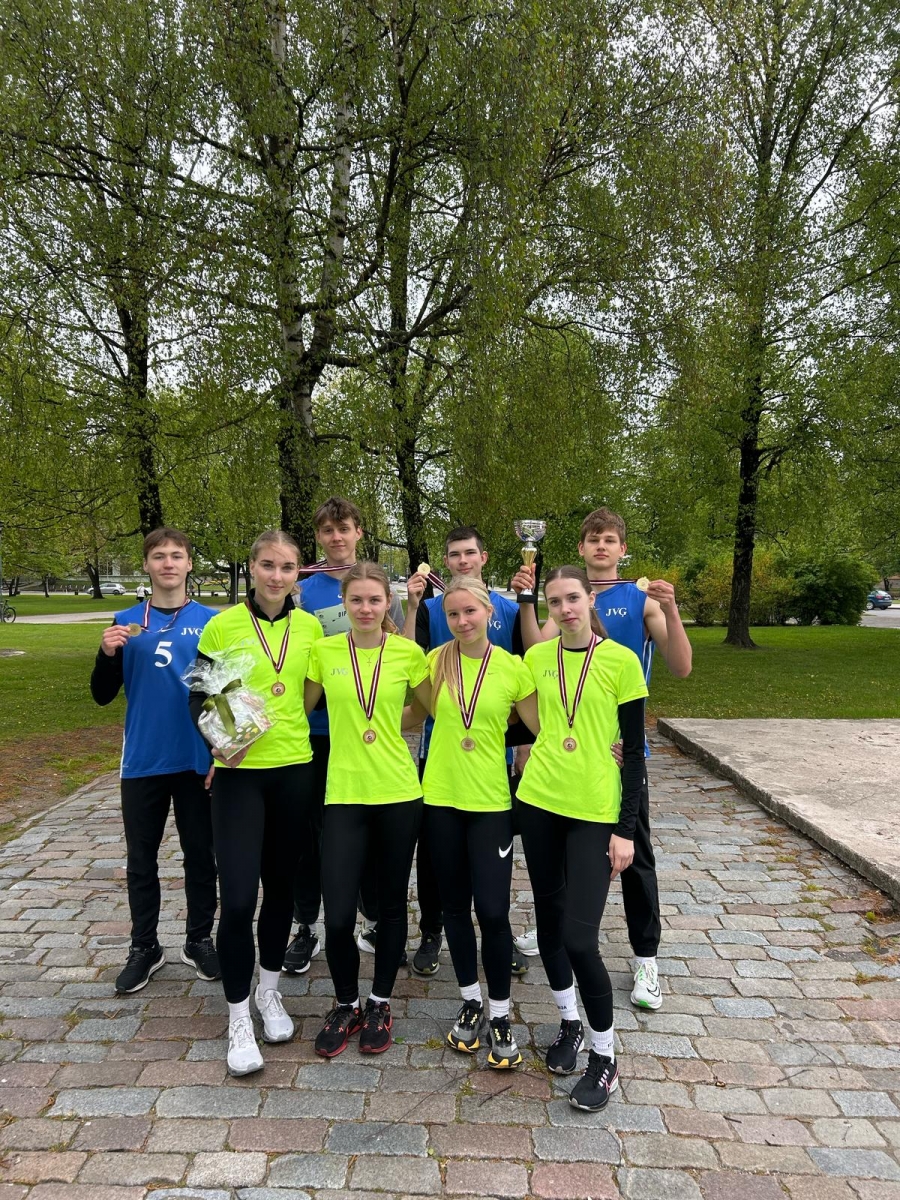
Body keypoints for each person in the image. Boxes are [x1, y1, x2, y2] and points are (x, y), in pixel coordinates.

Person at [517, 507, 692, 1011]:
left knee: (634, 857)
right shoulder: (563, 595)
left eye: (610, 539)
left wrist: (672, 610)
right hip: (573, 755)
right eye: (593, 539)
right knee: (563, 851)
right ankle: (556, 925)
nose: (601, 546)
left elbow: (681, 667)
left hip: (620, 754)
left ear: (622, 549)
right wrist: (528, 597)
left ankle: (646, 957)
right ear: (580, 548)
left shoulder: (641, 597)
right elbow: (539, 658)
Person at [189, 530, 323, 1076]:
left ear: (297, 574)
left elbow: (310, 694)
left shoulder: (310, 627)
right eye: (268, 565)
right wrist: (223, 742)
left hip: (293, 770)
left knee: (281, 891)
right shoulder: (222, 625)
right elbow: (199, 693)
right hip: (239, 776)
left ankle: (269, 992)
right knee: (240, 898)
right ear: (251, 568)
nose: (276, 575)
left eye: (287, 567)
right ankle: (238, 1015)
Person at [514, 566, 648, 1111]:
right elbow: (517, 718)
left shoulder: (621, 661)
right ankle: (569, 1022)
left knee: (579, 938)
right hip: (540, 803)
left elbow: (634, 752)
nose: (565, 609)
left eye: (573, 598)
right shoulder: (536, 659)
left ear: (590, 599)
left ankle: (605, 1057)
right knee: (549, 924)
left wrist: (625, 829)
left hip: (594, 811)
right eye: (555, 602)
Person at [305, 563, 431, 1057]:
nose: (365, 609)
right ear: (344, 603)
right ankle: (345, 1004)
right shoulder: (324, 651)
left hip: (398, 792)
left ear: (387, 603)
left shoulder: (407, 652)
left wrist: (389, 722)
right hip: (344, 794)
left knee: (390, 905)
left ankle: (379, 1002)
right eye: (356, 600)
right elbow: (298, 708)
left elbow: (426, 708)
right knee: (338, 915)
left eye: (374, 600)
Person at [90, 527, 219, 995]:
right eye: (159, 556)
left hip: (196, 758)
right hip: (143, 759)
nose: (168, 563)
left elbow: (221, 692)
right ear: (146, 564)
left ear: (189, 564)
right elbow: (102, 695)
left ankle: (199, 940)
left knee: (200, 855)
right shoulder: (126, 622)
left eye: (176, 555)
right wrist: (106, 655)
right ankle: (144, 946)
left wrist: (220, 752)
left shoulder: (211, 621)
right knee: (141, 859)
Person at [414, 576, 535, 1067]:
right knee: (453, 909)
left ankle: (501, 1014)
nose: (462, 621)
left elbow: (541, 726)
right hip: (440, 798)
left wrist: (607, 744)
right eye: (453, 614)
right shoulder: (434, 661)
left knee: (492, 911)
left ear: (488, 612)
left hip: (490, 803)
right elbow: (413, 714)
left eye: (470, 611)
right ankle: (470, 1002)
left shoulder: (512, 667)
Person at [283, 497, 405, 975]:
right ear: (319, 537)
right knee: (308, 834)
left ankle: (372, 919)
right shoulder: (302, 588)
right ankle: (306, 926)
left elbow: (396, 649)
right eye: (328, 530)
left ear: (359, 533)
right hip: (313, 731)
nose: (336, 537)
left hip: (366, 732)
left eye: (344, 528)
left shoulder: (378, 586)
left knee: (368, 833)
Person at [404, 525, 526, 977]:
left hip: (490, 766)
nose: (462, 560)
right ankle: (432, 931)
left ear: (482, 557)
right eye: (453, 554)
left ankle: (498, 935)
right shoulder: (431, 616)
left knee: (489, 865)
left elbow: (528, 705)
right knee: (436, 858)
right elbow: (409, 680)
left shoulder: (510, 616)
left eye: (469, 553)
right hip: (440, 758)